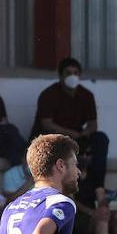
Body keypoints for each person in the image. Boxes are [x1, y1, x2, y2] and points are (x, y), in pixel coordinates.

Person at [32, 57, 109, 209]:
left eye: (75, 73)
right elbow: (46, 123)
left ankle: (100, 189)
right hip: (53, 137)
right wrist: (70, 133)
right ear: (61, 76)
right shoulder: (49, 94)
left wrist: (85, 133)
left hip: (78, 137)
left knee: (101, 139)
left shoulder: (86, 95)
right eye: (68, 73)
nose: (72, 76)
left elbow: (93, 124)